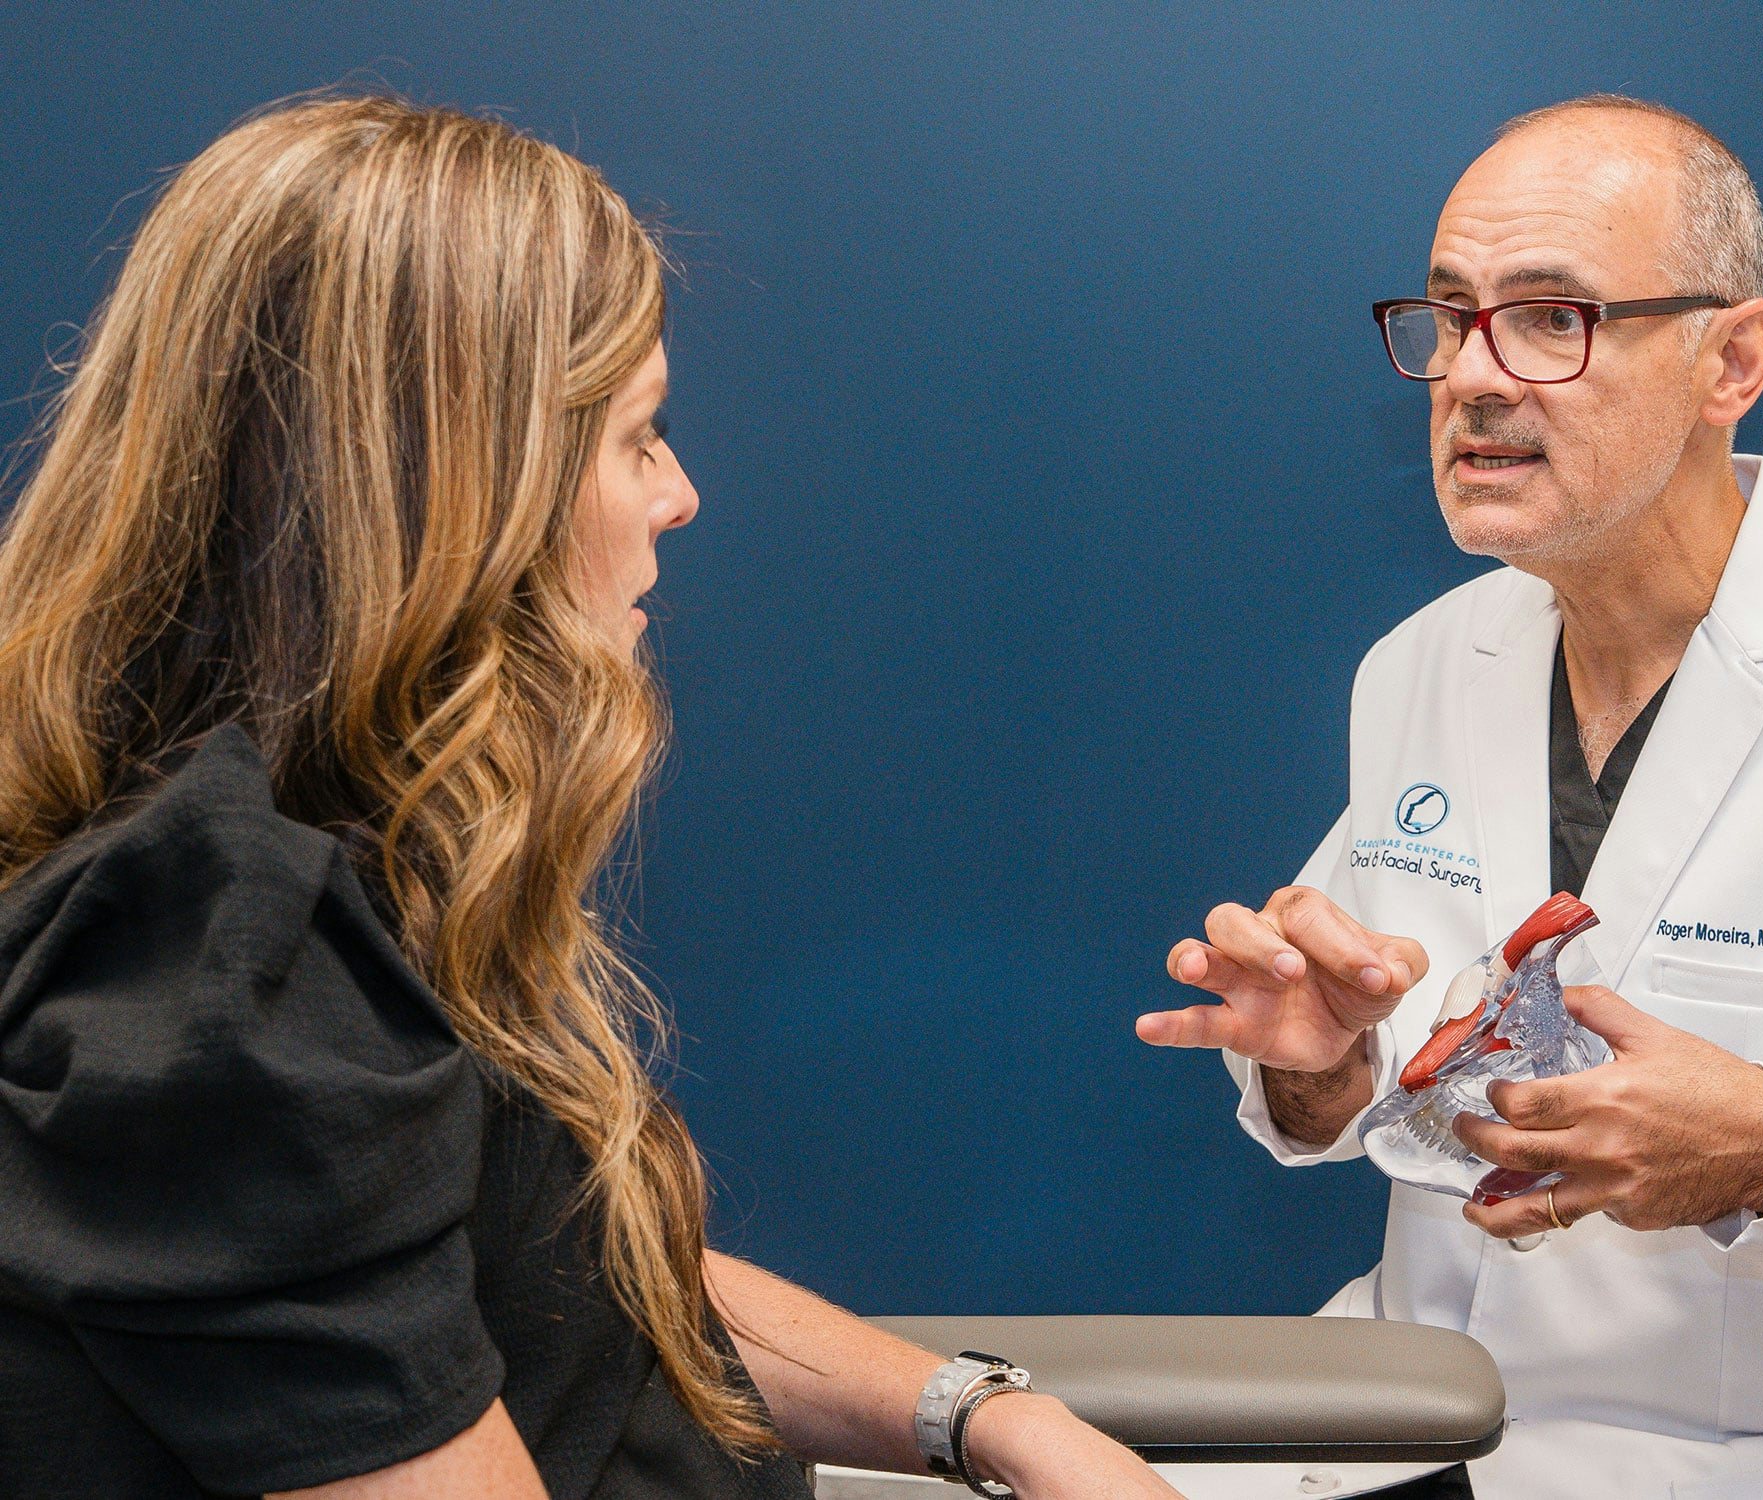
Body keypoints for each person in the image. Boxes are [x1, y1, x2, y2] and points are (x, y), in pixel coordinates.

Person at [0, 96, 1184, 1500]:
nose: (677, 496)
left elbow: (578, 1256)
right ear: (469, 491)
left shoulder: (332, 855)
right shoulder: (228, 985)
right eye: (637, 437)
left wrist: (981, 1417)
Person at [1138, 94, 1763, 1500]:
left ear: (1734, 360)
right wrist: (1318, 1063)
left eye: (1552, 317)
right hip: (1396, 1427)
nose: (1473, 375)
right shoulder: (1422, 667)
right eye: (1452, 314)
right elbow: (1368, 1045)